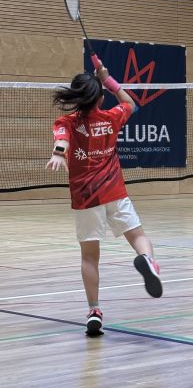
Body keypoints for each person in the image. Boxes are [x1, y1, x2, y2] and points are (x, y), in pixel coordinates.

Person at [45, 58, 162, 337]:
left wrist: (59, 153)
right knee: (138, 236)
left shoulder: (66, 122)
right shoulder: (111, 118)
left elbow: (62, 139)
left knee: (89, 257)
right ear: (99, 98)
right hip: (115, 192)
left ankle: (94, 311)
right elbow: (130, 103)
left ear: (76, 98)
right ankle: (147, 259)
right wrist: (108, 80)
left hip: (86, 199)